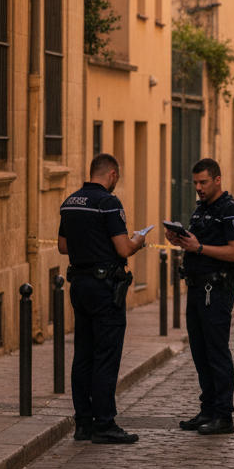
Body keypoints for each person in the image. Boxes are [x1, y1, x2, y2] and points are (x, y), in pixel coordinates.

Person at [58, 153, 148, 444]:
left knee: (82, 355)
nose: (116, 181)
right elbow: (123, 249)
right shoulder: (109, 203)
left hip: (79, 284)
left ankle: (83, 423)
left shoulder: (70, 201)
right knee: (106, 356)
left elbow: (62, 246)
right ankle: (105, 423)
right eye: (117, 177)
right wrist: (138, 241)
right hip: (104, 287)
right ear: (111, 173)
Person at [164, 158, 234, 436]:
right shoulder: (201, 209)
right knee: (200, 352)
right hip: (197, 288)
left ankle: (223, 415)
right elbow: (199, 244)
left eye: (203, 182)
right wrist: (181, 241)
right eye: (195, 182)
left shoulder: (231, 210)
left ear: (217, 180)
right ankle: (208, 409)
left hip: (217, 290)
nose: (198, 187)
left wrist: (199, 248)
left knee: (216, 351)